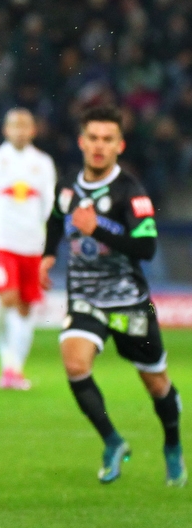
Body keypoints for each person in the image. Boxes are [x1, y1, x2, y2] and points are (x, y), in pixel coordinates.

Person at [40, 105, 186, 487]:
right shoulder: (68, 186)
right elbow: (56, 219)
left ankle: (172, 443)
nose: (99, 146)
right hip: (85, 297)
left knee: (156, 385)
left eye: (108, 139)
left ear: (119, 145)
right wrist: (48, 254)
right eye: (93, 138)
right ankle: (113, 441)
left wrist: (97, 230)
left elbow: (147, 249)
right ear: (81, 142)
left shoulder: (132, 192)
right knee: (74, 365)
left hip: (129, 302)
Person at [0, 108, 56, 390]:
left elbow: (50, 207)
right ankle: (9, 366)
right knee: (9, 298)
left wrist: (50, 243)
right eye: (14, 126)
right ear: (6, 130)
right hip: (1, 242)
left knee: (25, 307)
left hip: (33, 244)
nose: (20, 131)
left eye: (25, 126)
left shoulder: (43, 163)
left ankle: (15, 368)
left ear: (33, 130)